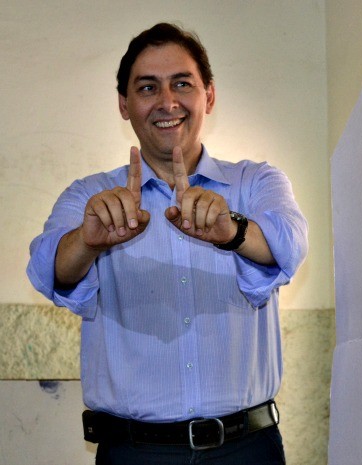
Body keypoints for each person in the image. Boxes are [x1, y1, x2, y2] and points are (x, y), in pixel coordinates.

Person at [27, 22, 308, 465]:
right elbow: (50, 268)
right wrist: (88, 240)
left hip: (247, 449)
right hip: (133, 452)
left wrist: (232, 230)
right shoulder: (90, 198)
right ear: (124, 104)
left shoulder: (256, 182)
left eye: (182, 84)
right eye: (147, 87)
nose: (167, 102)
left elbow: (289, 243)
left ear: (208, 96)